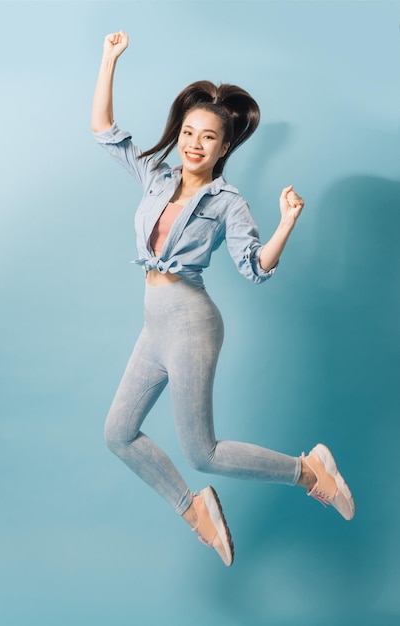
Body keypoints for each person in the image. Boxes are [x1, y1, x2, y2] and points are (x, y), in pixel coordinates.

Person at [91, 30, 355, 567]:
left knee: (202, 452)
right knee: (118, 434)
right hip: (154, 324)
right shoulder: (156, 178)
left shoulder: (227, 202)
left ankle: (310, 471)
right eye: (188, 132)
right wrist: (108, 59)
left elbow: (255, 268)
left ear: (225, 146)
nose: (193, 143)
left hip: (191, 322)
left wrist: (287, 224)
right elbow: (103, 129)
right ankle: (196, 512)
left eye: (207, 137)